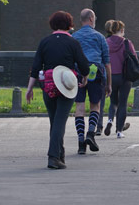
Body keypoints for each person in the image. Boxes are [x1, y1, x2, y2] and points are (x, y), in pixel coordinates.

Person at [26, 11, 90, 169]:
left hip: (48, 85)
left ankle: (60, 154)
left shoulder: (44, 42)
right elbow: (84, 65)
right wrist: (85, 77)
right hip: (66, 85)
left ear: (52, 24)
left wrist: (29, 88)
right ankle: (53, 157)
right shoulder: (73, 43)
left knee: (54, 122)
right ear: (69, 24)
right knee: (60, 122)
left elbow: (35, 67)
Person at [71, 8, 111, 154]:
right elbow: (107, 62)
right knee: (95, 106)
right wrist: (108, 83)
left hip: (78, 73)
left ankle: (81, 143)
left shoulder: (74, 37)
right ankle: (91, 133)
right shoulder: (99, 37)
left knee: (79, 108)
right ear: (92, 19)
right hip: (96, 72)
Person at [103, 20, 137, 138]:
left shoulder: (105, 42)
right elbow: (134, 58)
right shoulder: (127, 43)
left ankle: (109, 121)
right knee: (123, 103)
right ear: (122, 30)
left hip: (111, 77)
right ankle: (119, 131)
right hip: (124, 77)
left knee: (113, 102)